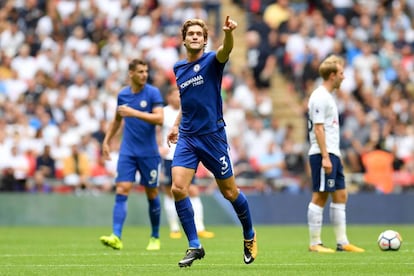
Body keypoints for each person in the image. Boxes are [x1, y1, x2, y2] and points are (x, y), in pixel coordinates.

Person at [167, 17, 257, 267]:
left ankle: (249, 234)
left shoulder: (211, 62)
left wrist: (228, 34)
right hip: (187, 136)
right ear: (184, 39)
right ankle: (195, 245)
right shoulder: (178, 69)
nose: (195, 36)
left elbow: (226, 50)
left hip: (213, 137)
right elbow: (187, 101)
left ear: (205, 40)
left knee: (230, 192)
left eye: (199, 34)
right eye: (191, 33)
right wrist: (175, 124)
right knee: (177, 188)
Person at [99, 58, 164, 251]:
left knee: (151, 193)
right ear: (131, 74)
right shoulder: (123, 95)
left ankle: (155, 236)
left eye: (146, 71)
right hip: (128, 151)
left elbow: (159, 119)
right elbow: (117, 120)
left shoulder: (153, 93)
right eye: (141, 71)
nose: (144, 75)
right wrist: (107, 140)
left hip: (149, 153)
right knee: (122, 189)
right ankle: (116, 236)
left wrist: (134, 113)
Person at [307, 54, 364, 253]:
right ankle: (315, 243)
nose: (344, 77)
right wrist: (324, 156)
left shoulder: (328, 97)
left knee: (340, 194)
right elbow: (318, 128)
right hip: (323, 153)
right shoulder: (320, 96)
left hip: (333, 152)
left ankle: (342, 242)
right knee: (320, 196)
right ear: (332, 75)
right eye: (341, 73)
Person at [159, 86, 215, 239]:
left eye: (180, 95)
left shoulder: (188, 111)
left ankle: (200, 227)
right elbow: (156, 131)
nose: (178, 98)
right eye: (175, 95)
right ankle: (174, 228)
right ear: (169, 97)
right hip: (169, 157)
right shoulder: (163, 112)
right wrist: (159, 147)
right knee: (171, 193)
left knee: (194, 190)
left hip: (187, 155)